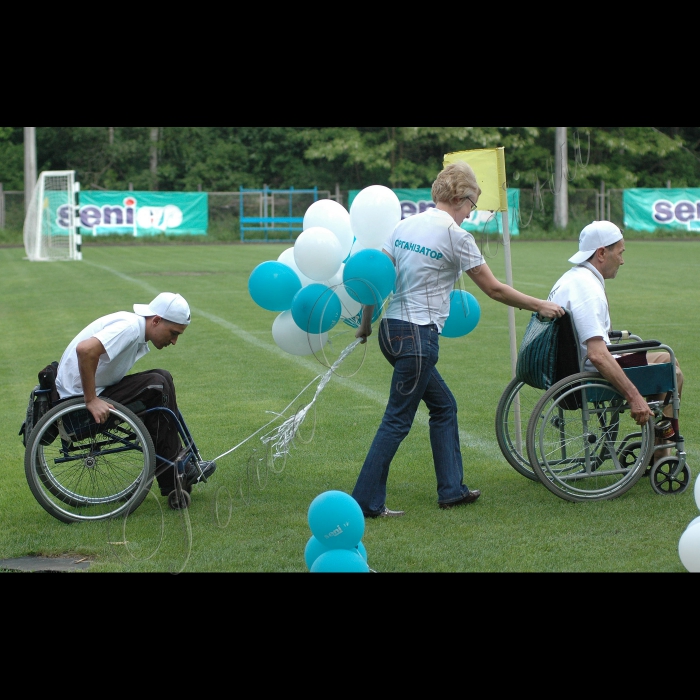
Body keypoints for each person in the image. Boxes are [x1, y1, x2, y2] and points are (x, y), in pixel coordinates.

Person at [351, 161, 565, 519]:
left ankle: (451, 490)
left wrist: (365, 323)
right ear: (461, 198)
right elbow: (494, 289)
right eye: (471, 205)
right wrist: (540, 304)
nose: (470, 214)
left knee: (444, 406)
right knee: (396, 421)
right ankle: (364, 503)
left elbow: (375, 277)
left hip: (392, 332)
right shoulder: (456, 237)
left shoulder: (403, 226)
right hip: (418, 339)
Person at [55, 292, 217, 498]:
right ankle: (175, 474)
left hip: (86, 392)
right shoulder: (130, 328)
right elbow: (85, 350)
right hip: (77, 405)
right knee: (157, 385)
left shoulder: (134, 327)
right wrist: (91, 400)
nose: (174, 341)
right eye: (173, 333)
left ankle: (176, 472)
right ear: (156, 320)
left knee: (162, 377)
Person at [548, 221, 684, 457]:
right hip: (590, 372)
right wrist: (634, 397)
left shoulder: (571, 278)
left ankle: (656, 447)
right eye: (620, 253)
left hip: (574, 366)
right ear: (602, 253)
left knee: (665, 359)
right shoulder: (588, 290)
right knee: (673, 373)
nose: (622, 260)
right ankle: (661, 453)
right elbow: (597, 354)